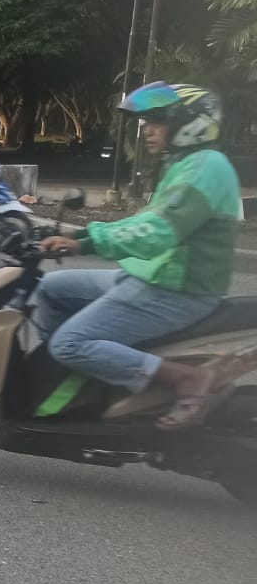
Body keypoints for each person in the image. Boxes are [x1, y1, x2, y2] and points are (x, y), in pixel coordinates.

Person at [37, 82, 240, 428]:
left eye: (157, 120)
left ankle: (186, 379)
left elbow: (156, 233)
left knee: (69, 343)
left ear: (189, 124)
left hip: (178, 289)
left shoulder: (206, 168)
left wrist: (85, 244)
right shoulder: (187, 163)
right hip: (152, 275)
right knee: (51, 289)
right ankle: (86, 382)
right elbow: (146, 221)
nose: (147, 129)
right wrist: (79, 233)